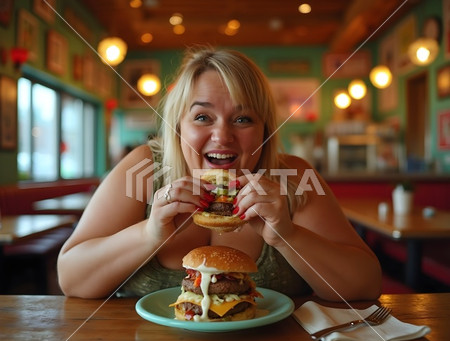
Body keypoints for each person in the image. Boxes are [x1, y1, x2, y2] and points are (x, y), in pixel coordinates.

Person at [58, 47, 382, 301]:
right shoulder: (144, 168)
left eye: (242, 119)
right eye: (202, 117)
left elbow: (365, 285)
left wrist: (288, 236)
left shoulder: (293, 176)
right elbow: (71, 280)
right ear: (177, 126)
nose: (222, 136)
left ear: (264, 131)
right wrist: (149, 234)